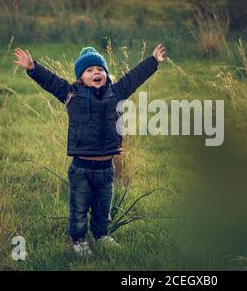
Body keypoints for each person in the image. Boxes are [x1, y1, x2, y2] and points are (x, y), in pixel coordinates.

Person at [13, 44, 166, 255]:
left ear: (106, 74)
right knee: (79, 209)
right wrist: (32, 68)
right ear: (80, 77)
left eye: (100, 69)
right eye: (90, 70)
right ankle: (79, 241)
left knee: (103, 208)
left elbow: (134, 77)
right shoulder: (71, 95)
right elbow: (51, 82)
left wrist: (153, 61)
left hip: (106, 167)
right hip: (81, 168)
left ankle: (101, 235)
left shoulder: (116, 92)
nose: (96, 73)